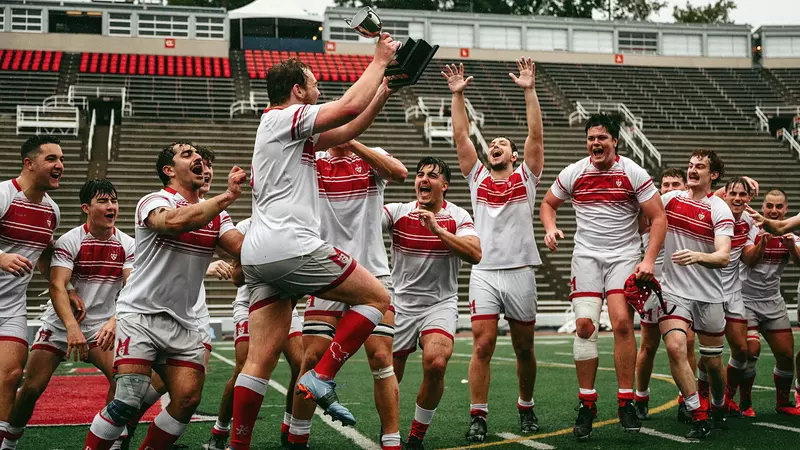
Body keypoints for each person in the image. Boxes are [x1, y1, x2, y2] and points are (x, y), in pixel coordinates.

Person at [231, 33, 401, 450]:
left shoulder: (282, 129)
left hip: (260, 252)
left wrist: (383, 89)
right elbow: (346, 106)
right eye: (312, 83)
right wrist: (379, 58)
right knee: (378, 299)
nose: (317, 89)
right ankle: (322, 376)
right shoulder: (282, 118)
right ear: (296, 90)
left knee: (260, 360)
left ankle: (237, 444)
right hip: (292, 245)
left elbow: (351, 125)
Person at [83, 142, 245, 450]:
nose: (197, 158)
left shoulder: (217, 216)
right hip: (141, 314)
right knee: (127, 400)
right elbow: (171, 223)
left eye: (198, 155)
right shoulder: (154, 200)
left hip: (185, 322)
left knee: (187, 400)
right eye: (187, 155)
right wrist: (229, 196)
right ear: (169, 171)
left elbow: (240, 247)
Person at [539, 114, 666, 439]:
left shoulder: (633, 172)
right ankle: (587, 403)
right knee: (584, 327)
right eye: (591, 138)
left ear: (615, 142)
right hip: (586, 258)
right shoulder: (575, 171)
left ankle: (625, 401)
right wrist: (551, 228)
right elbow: (549, 203)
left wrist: (648, 260)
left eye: (602, 138)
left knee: (622, 323)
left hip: (623, 256)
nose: (596, 143)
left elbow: (658, 217)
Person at [441, 59, 544, 442]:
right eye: (493, 144)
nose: (495, 146)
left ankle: (526, 406)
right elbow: (461, 137)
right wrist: (458, 95)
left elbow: (535, 134)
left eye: (503, 144)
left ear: (514, 156)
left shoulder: (526, 176)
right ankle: (478, 415)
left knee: (523, 348)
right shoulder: (477, 176)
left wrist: (529, 90)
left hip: (520, 271)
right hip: (484, 272)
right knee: (482, 345)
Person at [290, 137, 407, 450]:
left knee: (382, 357)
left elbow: (400, 173)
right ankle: (297, 436)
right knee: (312, 356)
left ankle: (391, 440)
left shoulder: (373, 155)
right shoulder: (315, 162)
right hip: (328, 270)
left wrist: (353, 143)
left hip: (373, 272)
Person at [2, 179, 125, 449]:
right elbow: (57, 285)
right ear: (86, 208)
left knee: (124, 380)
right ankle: (9, 441)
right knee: (31, 388)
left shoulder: (128, 244)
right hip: (59, 326)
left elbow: (133, 289)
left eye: (113, 201)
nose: (111, 206)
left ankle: (111, 440)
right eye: (103, 201)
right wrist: (71, 328)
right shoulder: (70, 240)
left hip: (100, 328)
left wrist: (115, 321)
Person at [385, 157, 481, 450]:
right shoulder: (399, 212)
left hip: (439, 304)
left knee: (437, 363)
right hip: (399, 303)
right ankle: (389, 431)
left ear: (445, 186)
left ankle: (416, 435)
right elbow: (364, 220)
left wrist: (438, 230)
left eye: (432, 176)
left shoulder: (458, 216)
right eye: (420, 175)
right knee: (388, 372)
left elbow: (475, 253)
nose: (423, 179)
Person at [204, 217, 305, 450]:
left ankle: (289, 429)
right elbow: (236, 278)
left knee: (301, 365)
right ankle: (220, 430)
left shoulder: (299, 224)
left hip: (285, 304)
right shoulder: (247, 227)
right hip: (250, 304)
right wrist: (268, 259)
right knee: (243, 367)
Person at [657, 149, 733, 439]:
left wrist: (697, 256)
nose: (692, 170)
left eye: (699, 166)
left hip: (709, 294)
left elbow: (724, 256)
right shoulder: (670, 199)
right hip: (674, 290)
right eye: (690, 165)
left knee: (713, 363)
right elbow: (642, 210)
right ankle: (697, 413)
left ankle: (718, 405)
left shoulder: (719, 209)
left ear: (712, 175)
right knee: (676, 347)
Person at [0, 135, 62, 447]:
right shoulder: (2, 195)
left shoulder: (52, 211)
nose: (60, 165)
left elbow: (43, 257)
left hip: (11, 306)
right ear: (29, 163)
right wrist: (0, 257)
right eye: (51, 159)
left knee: (11, 376)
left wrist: (66, 289)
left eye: (61, 159)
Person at [634, 168, 695, 422]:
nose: (669, 189)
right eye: (665, 184)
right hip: (653, 282)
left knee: (688, 342)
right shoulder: (651, 212)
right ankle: (641, 396)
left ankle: (686, 399)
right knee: (648, 345)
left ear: (685, 187)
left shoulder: (691, 209)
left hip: (682, 284)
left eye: (675, 184)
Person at [738, 189, 800, 416]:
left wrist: (791, 244)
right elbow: (749, 260)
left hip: (773, 301)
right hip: (746, 300)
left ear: (786, 210)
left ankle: (783, 402)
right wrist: (762, 243)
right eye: (769, 206)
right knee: (751, 350)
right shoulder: (750, 229)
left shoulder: (790, 232)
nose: (774, 211)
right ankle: (745, 403)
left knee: (785, 355)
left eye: (779, 207)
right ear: (762, 208)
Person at [704, 177, 758, 418]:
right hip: (708, 289)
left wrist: (764, 239)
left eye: (742, 194)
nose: (737, 198)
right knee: (709, 351)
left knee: (741, 349)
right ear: (724, 196)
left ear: (749, 198)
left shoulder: (750, 221)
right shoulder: (715, 211)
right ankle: (701, 396)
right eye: (733, 193)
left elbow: (748, 259)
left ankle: (728, 397)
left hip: (733, 291)